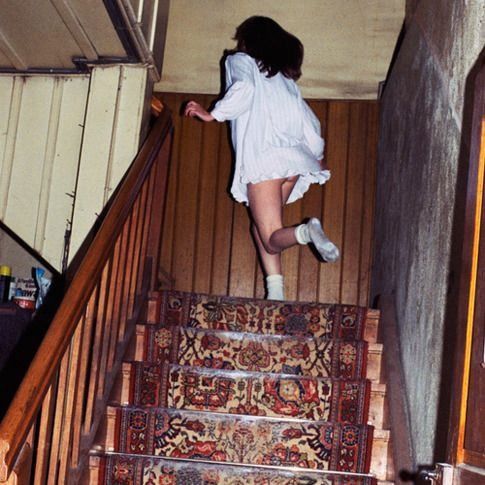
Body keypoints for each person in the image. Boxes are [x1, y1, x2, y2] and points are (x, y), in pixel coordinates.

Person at [184, 16, 339, 301]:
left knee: (271, 236)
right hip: (294, 163)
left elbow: (245, 90)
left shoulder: (240, 61)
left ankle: (305, 232)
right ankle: (275, 292)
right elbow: (310, 123)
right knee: (263, 228)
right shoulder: (285, 80)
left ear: (248, 40)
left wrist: (213, 114)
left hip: (265, 160)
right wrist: (315, 156)